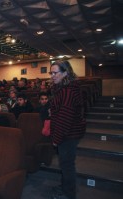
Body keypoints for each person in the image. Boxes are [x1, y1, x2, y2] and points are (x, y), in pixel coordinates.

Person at [49, 60, 86, 199]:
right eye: (51, 73)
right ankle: (65, 187)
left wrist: (56, 139)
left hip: (68, 134)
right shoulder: (63, 88)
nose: (52, 76)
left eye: (55, 72)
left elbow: (65, 118)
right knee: (65, 164)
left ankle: (68, 194)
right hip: (67, 133)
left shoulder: (68, 91)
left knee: (67, 165)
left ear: (65, 73)